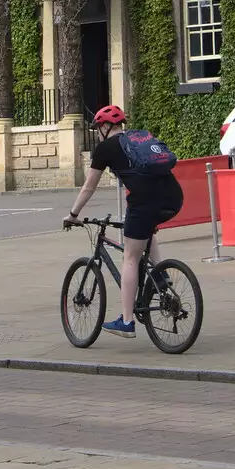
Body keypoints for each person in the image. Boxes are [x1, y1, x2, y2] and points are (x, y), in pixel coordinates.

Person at [62, 105, 182, 339]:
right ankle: (160, 275)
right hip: (174, 198)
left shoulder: (105, 148)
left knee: (130, 257)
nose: (98, 133)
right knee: (145, 232)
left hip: (144, 203)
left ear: (106, 127)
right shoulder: (138, 138)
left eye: (99, 128)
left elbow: (88, 187)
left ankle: (126, 321)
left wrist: (73, 214)